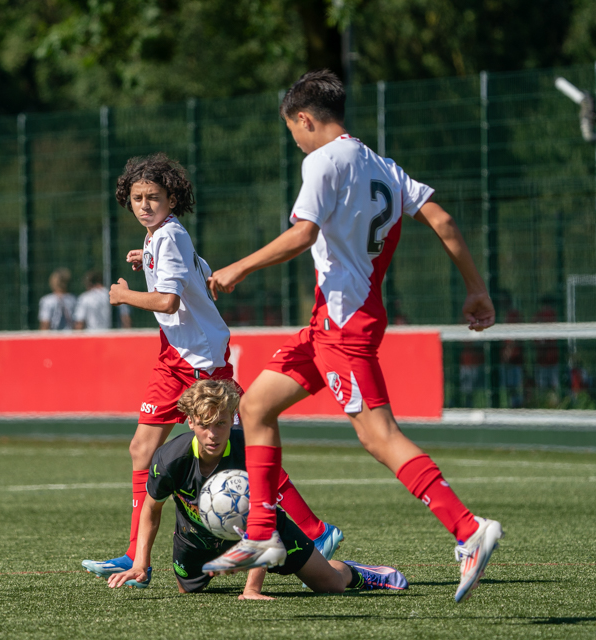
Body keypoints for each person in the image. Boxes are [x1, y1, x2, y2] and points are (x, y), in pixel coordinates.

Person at [202, 70, 503, 604]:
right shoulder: (382, 166)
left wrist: (236, 270)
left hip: (344, 325)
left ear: (305, 119)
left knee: (376, 434)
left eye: (292, 129)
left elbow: (303, 233)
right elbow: (445, 220)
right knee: (255, 408)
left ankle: (467, 530)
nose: (293, 139)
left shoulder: (321, 160)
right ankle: (261, 534)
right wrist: (476, 290)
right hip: (334, 321)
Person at [81, 153, 343, 588]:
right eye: (137, 198)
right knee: (141, 449)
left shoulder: (168, 237)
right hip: (173, 356)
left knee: (242, 449)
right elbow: (197, 273)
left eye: (154, 197)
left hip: (202, 362)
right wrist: (146, 258)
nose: (144, 205)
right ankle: (133, 555)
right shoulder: (159, 238)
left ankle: (316, 530)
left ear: (172, 198)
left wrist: (123, 296)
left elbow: (167, 301)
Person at [108, 379, 407, 598]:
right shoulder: (170, 458)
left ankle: (356, 572)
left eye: (222, 423)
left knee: (330, 585)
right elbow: (151, 508)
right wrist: (141, 564)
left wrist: (252, 588)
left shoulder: (249, 449)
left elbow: (260, 521)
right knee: (189, 593)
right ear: (189, 422)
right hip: (195, 540)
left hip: (266, 530)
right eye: (204, 424)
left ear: (232, 420)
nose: (213, 434)